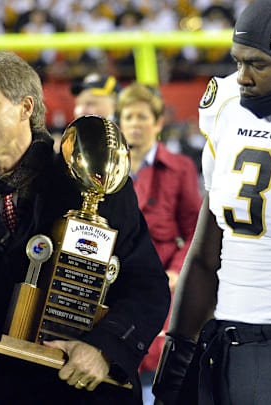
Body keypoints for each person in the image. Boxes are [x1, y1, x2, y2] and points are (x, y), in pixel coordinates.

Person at [0, 51, 170, 405]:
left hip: (83, 390)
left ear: (26, 108)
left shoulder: (92, 184)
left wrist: (104, 349)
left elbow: (147, 285)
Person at [152, 1, 271, 404]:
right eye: (237, 61)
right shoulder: (226, 111)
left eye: (258, 64)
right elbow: (206, 251)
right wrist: (179, 344)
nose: (242, 77)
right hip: (224, 339)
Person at [115, 82, 201, 404]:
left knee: (156, 370)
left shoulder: (181, 169)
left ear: (158, 122)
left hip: (162, 280)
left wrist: (176, 272)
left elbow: (194, 229)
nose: (135, 124)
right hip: (117, 279)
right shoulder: (109, 170)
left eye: (142, 117)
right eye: (129, 117)